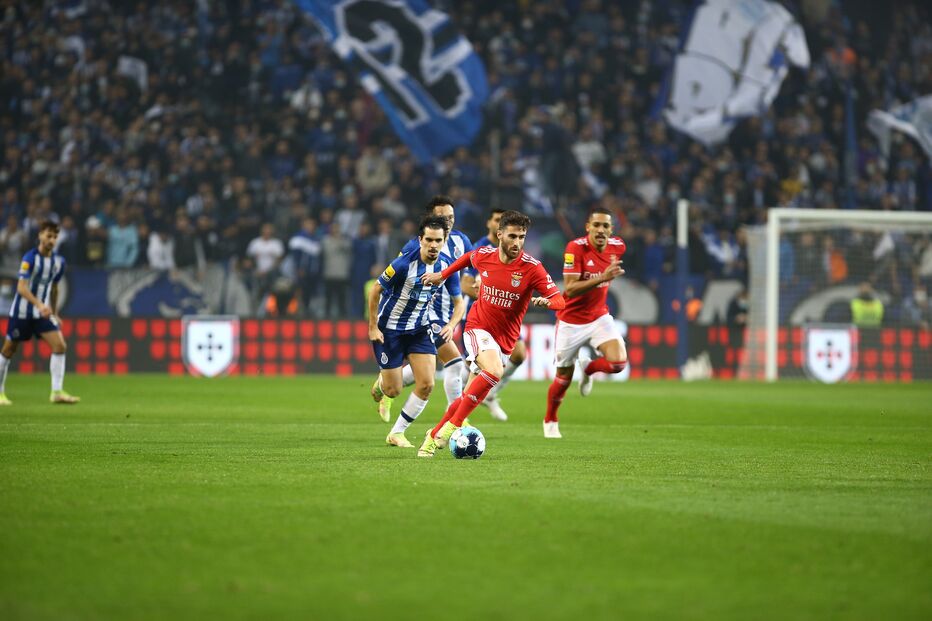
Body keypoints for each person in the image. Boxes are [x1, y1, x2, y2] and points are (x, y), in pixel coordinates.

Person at [417, 210, 566, 457]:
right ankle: (452, 427)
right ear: (499, 235)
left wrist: (547, 302)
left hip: (505, 340)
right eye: (512, 236)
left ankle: (433, 435)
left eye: (522, 237)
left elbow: (559, 300)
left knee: (468, 396)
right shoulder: (485, 255)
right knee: (494, 371)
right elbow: (467, 259)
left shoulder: (532, 268)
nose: (517, 243)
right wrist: (441, 276)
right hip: (477, 327)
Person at [375, 196, 473, 422]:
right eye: (442, 217)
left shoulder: (462, 241)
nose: (448, 222)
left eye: (451, 217)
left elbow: (470, 273)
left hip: (451, 312)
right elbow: (397, 278)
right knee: (455, 362)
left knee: (424, 374)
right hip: (427, 315)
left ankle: (386, 384)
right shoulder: (416, 245)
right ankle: (457, 418)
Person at [368, 215, 461, 448]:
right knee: (393, 390)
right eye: (428, 239)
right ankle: (382, 385)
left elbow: (459, 301)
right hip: (389, 331)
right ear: (420, 239)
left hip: (420, 328)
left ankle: (397, 433)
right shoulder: (402, 265)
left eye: (438, 240)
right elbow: (375, 290)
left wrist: (451, 324)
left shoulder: (447, 266)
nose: (433, 245)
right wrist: (372, 326)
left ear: (443, 240)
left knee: (427, 384)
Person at [543, 207, 627, 438]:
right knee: (563, 378)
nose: (601, 230)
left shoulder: (618, 247)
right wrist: (602, 277)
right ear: (588, 227)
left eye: (606, 226)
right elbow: (569, 288)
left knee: (619, 363)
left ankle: (589, 368)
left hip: (599, 317)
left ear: (611, 230)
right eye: (596, 225)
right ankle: (550, 420)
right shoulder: (575, 248)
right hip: (570, 321)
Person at [0, 220, 80, 405]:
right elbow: (21, 287)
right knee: (8, 350)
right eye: (48, 235)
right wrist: (39, 304)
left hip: (41, 315)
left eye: (54, 236)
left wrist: (55, 312)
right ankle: (0, 393)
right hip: (22, 313)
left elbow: (54, 288)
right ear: (40, 235)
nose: (51, 239)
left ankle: (57, 392)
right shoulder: (29, 258)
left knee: (60, 345)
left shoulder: (58, 262)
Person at [463, 207, 525, 421]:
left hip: (507, 316)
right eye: (496, 219)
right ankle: (458, 408)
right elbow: (464, 284)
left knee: (519, 354)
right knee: (473, 367)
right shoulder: (480, 248)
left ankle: (490, 394)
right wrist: (483, 293)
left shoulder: (516, 251)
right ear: (491, 225)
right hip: (482, 318)